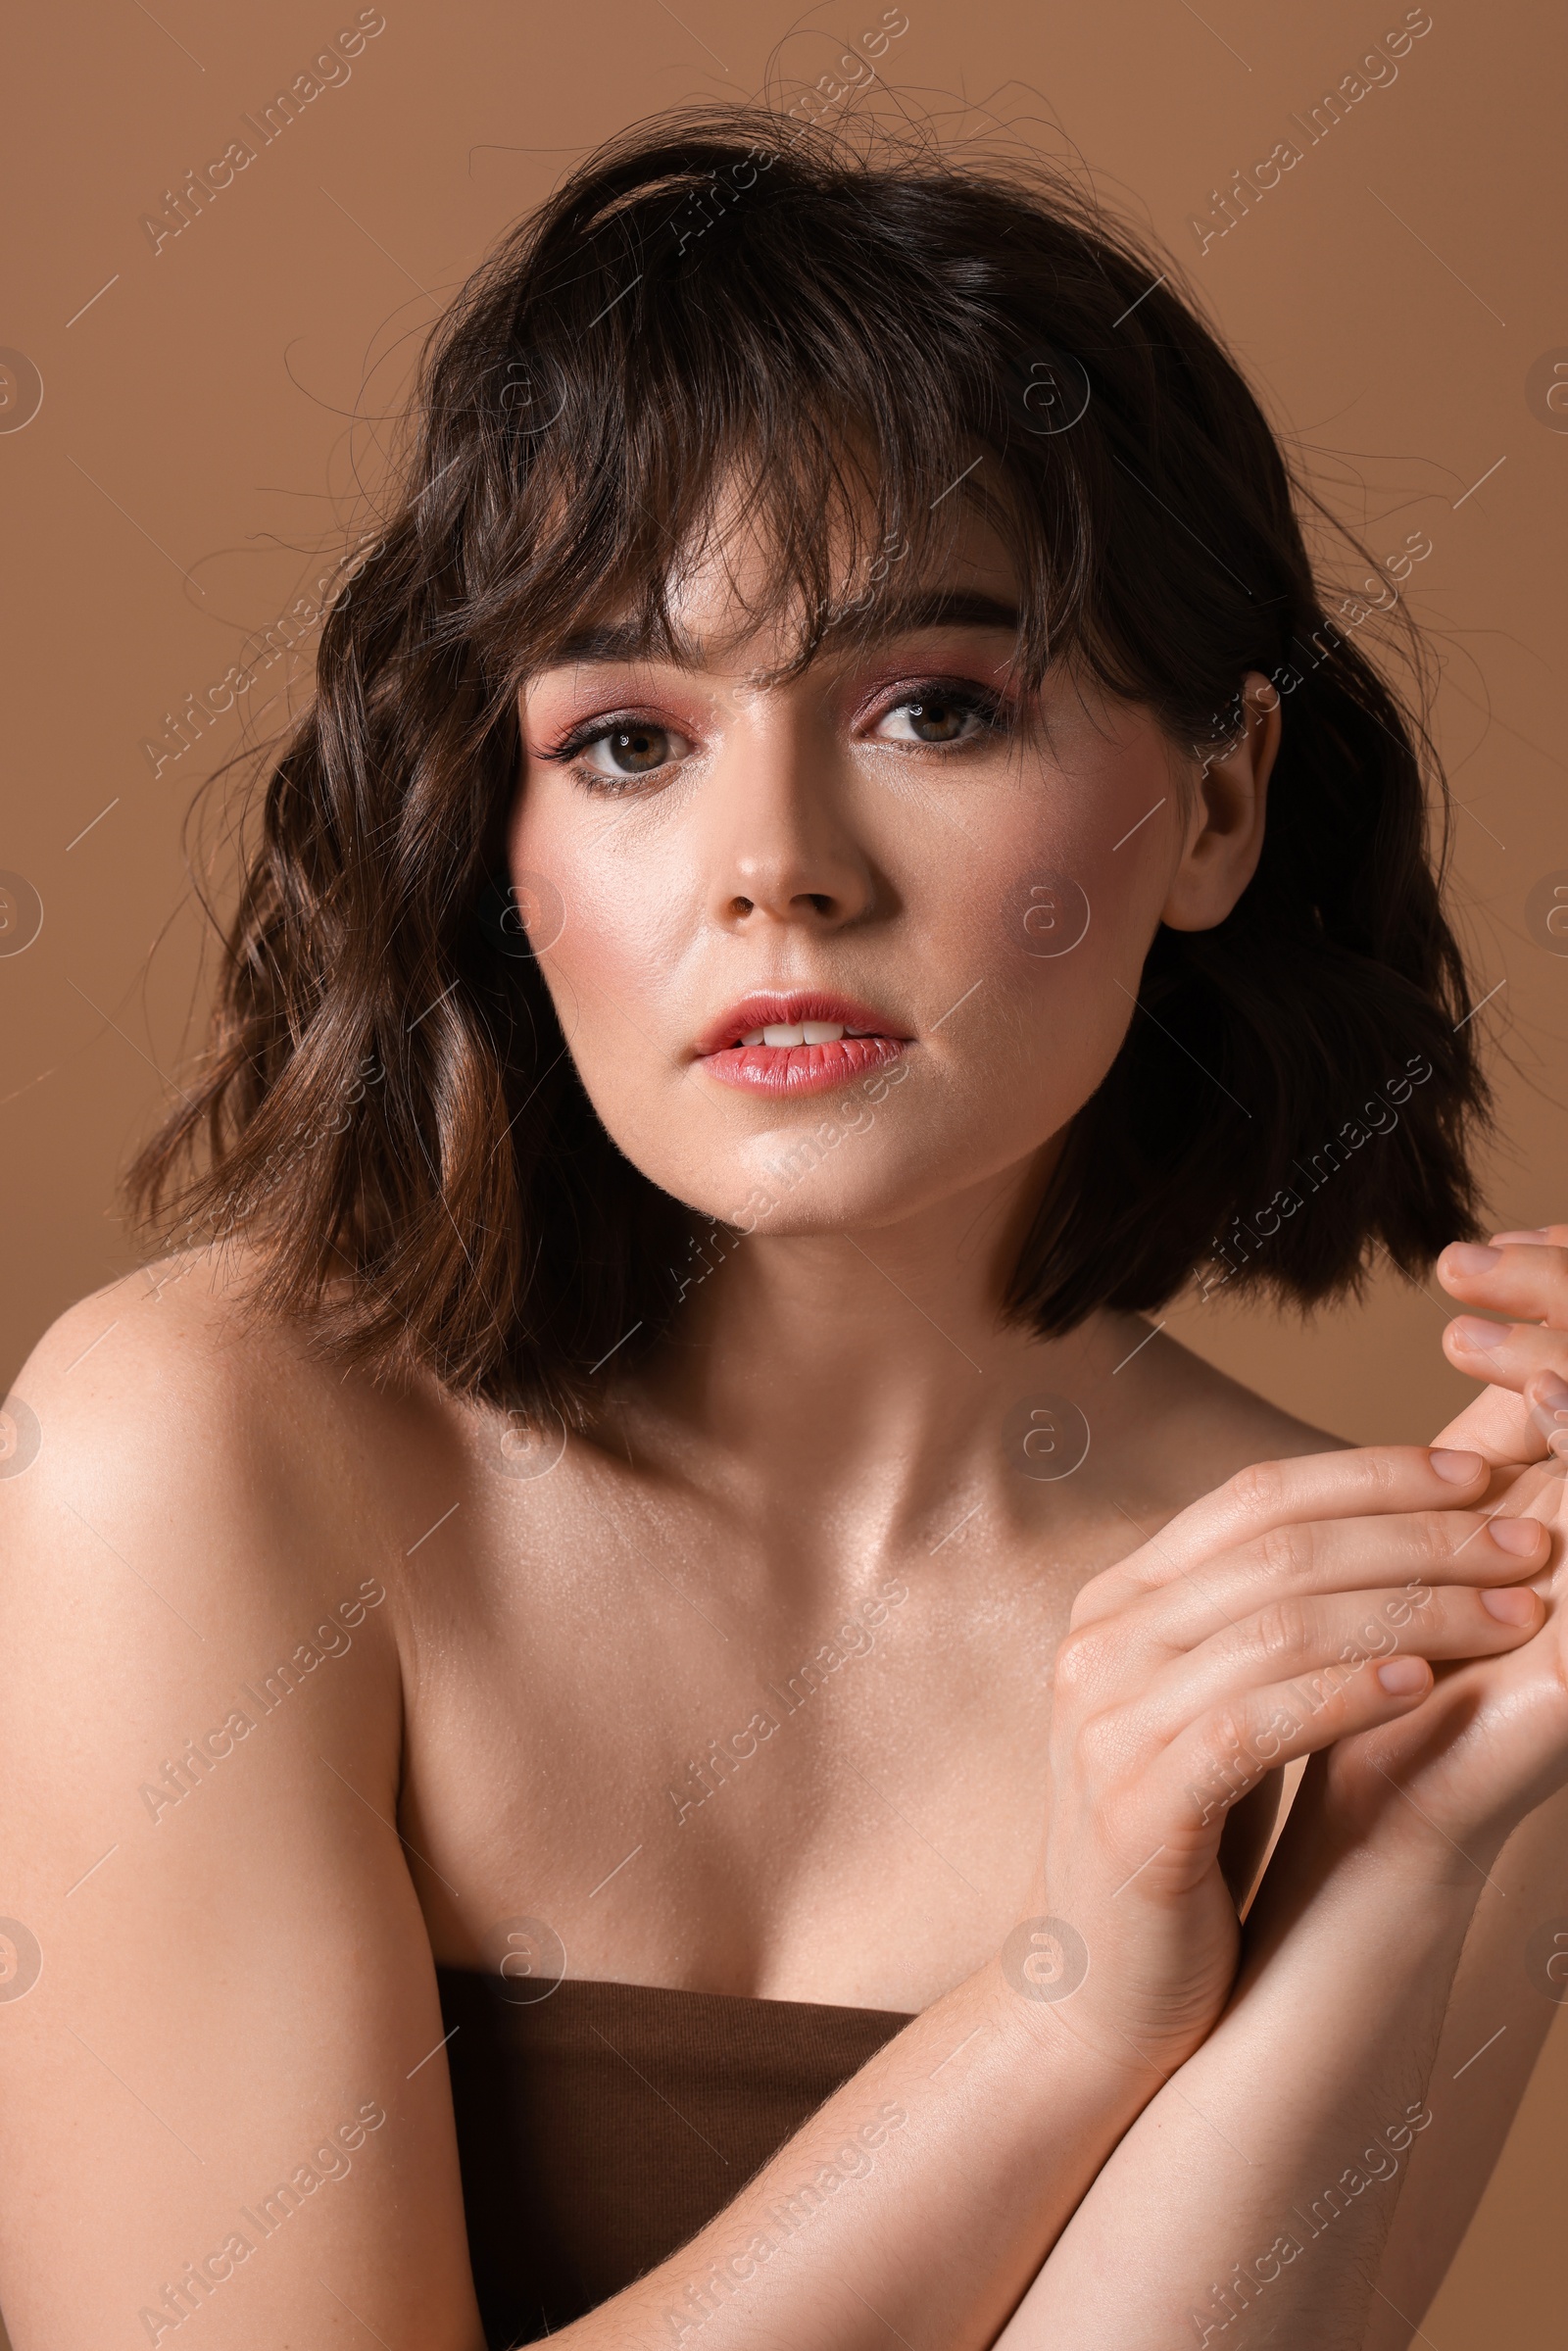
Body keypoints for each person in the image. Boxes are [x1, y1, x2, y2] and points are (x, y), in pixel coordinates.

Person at [1, 103, 1564, 2351]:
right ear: (494, 831)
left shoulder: (1391, 1652)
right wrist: (1064, 2007)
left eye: (934, 706)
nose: (776, 866)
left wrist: (1403, 1850)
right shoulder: (198, 1450)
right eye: (627, 738)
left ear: (1215, 799)